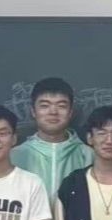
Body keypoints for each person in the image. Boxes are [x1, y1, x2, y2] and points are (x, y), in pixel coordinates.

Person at [9, 76, 92, 205]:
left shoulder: (88, 155)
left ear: (70, 112)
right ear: (33, 111)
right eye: (45, 105)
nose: (53, 112)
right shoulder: (14, 156)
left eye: (61, 106)